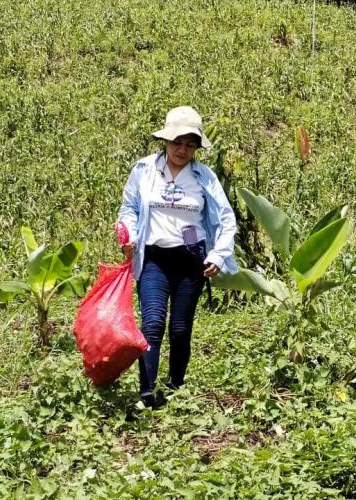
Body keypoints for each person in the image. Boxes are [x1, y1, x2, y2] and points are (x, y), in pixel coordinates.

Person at [117, 106, 237, 409]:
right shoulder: (144, 170)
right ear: (165, 141)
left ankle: (175, 388)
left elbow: (225, 219)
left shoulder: (204, 177)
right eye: (176, 142)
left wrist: (219, 255)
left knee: (181, 328)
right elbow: (129, 208)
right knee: (153, 323)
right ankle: (147, 394)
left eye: (190, 144)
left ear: (197, 147)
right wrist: (129, 236)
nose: (182, 150)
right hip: (154, 257)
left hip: (191, 259)